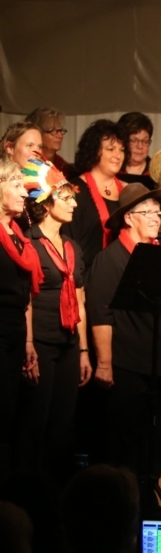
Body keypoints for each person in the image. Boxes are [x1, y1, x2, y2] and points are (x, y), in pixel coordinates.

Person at [86, 183, 161, 513]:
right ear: (128, 218)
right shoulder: (110, 259)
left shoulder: (160, 255)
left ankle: (147, 495)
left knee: (159, 438)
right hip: (129, 363)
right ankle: (126, 505)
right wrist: (104, 363)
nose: (156, 218)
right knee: (126, 441)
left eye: (158, 212)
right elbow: (101, 313)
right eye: (148, 212)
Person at [19, 157, 91, 476]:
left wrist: (84, 349)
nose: (74, 203)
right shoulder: (30, 243)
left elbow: (80, 300)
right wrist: (29, 345)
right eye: (66, 198)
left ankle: (56, 488)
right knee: (37, 421)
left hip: (69, 343)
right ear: (47, 205)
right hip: (42, 342)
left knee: (63, 424)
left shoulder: (72, 246)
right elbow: (26, 300)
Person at [0, 159, 40, 485]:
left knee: (10, 414)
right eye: (15, 185)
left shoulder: (17, 235)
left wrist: (28, 341)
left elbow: (25, 295)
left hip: (14, 332)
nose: (24, 193)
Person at [66, 119, 129, 272]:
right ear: (94, 151)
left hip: (123, 272)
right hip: (87, 275)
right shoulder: (74, 190)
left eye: (121, 150)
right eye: (111, 149)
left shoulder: (129, 190)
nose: (118, 155)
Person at [26, 107, 71, 174]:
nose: (60, 136)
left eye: (60, 130)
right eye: (52, 130)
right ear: (37, 132)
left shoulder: (64, 167)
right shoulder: (25, 164)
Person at [117, 112, 154, 182]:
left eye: (145, 141)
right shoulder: (112, 171)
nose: (140, 146)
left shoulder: (157, 173)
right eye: (134, 140)